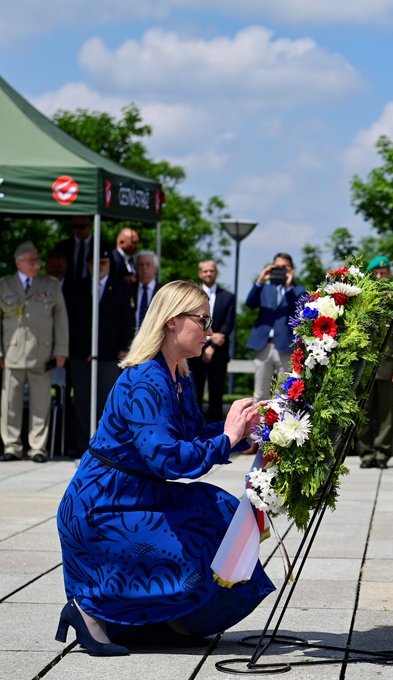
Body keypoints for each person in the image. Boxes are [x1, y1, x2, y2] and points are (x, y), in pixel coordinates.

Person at [55, 280, 274, 656]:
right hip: (102, 507)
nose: (210, 330)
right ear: (172, 322)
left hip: (136, 493)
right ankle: (88, 608)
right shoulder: (144, 380)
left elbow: (189, 435)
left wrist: (243, 436)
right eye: (203, 321)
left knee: (216, 510)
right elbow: (168, 459)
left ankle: (160, 619)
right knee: (189, 540)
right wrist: (226, 438)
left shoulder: (177, 376)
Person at [0, 242, 69, 462]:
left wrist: (61, 350)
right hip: (12, 353)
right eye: (31, 260)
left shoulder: (50, 285)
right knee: (10, 402)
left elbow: (61, 320)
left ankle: (37, 447)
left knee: (41, 402)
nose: (37, 264)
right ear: (19, 262)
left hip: (42, 354)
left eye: (37, 259)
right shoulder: (4, 285)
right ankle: (12, 445)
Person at [64, 245, 133, 456]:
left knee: (107, 401)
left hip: (110, 355)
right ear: (88, 265)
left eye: (103, 263)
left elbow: (127, 321)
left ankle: (106, 444)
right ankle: (85, 444)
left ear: (109, 264)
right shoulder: (78, 287)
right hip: (81, 356)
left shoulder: (120, 288)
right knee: (83, 401)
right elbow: (71, 322)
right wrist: (77, 350)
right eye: (94, 263)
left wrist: (124, 348)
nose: (99, 267)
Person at [357, 256, 393, 469]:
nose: (380, 276)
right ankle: (366, 453)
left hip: (388, 364)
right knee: (363, 412)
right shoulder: (362, 297)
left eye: (384, 272)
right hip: (365, 366)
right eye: (376, 274)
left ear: (390, 273)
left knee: (386, 414)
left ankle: (382, 454)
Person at [244, 253, 305, 400]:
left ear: (292, 269)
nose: (281, 270)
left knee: (284, 392)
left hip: (286, 344)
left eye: (285, 267)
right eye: (278, 267)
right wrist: (260, 279)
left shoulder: (298, 290)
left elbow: (300, 309)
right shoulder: (265, 288)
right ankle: (259, 422)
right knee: (260, 392)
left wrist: (288, 286)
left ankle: (282, 422)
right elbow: (250, 303)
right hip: (264, 344)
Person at [188, 259, 236, 422]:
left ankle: (215, 434)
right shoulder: (191, 297)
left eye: (211, 270)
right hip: (194, 353)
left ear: (216, 273)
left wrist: (212, 345)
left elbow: (228, 324)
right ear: (200, 273)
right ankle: (194, 431)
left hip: (219, 354)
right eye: (205, 271)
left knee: (216, 395)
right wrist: (208, 339)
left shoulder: (228, 297)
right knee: (194, 394)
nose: (208, 273)